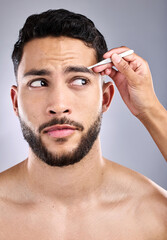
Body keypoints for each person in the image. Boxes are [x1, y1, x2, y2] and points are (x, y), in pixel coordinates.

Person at [0, 9, 166, 239]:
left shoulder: (156, 214)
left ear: (106, 98)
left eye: (79, 80)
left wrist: (150, 110)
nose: (58, 105)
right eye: (39, 82)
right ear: (16, 102)